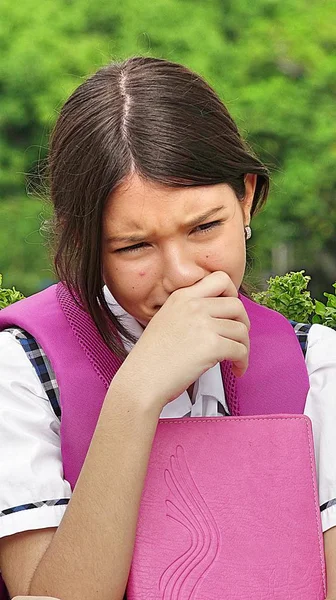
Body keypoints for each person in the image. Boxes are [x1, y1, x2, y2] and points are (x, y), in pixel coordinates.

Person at [0, 56, 335, 600]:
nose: (181, 276)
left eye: (205, 227)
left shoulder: (317, 368)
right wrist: (135, 397)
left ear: (246, 196)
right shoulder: (23, 373)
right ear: (83, 241)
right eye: (134, 246)